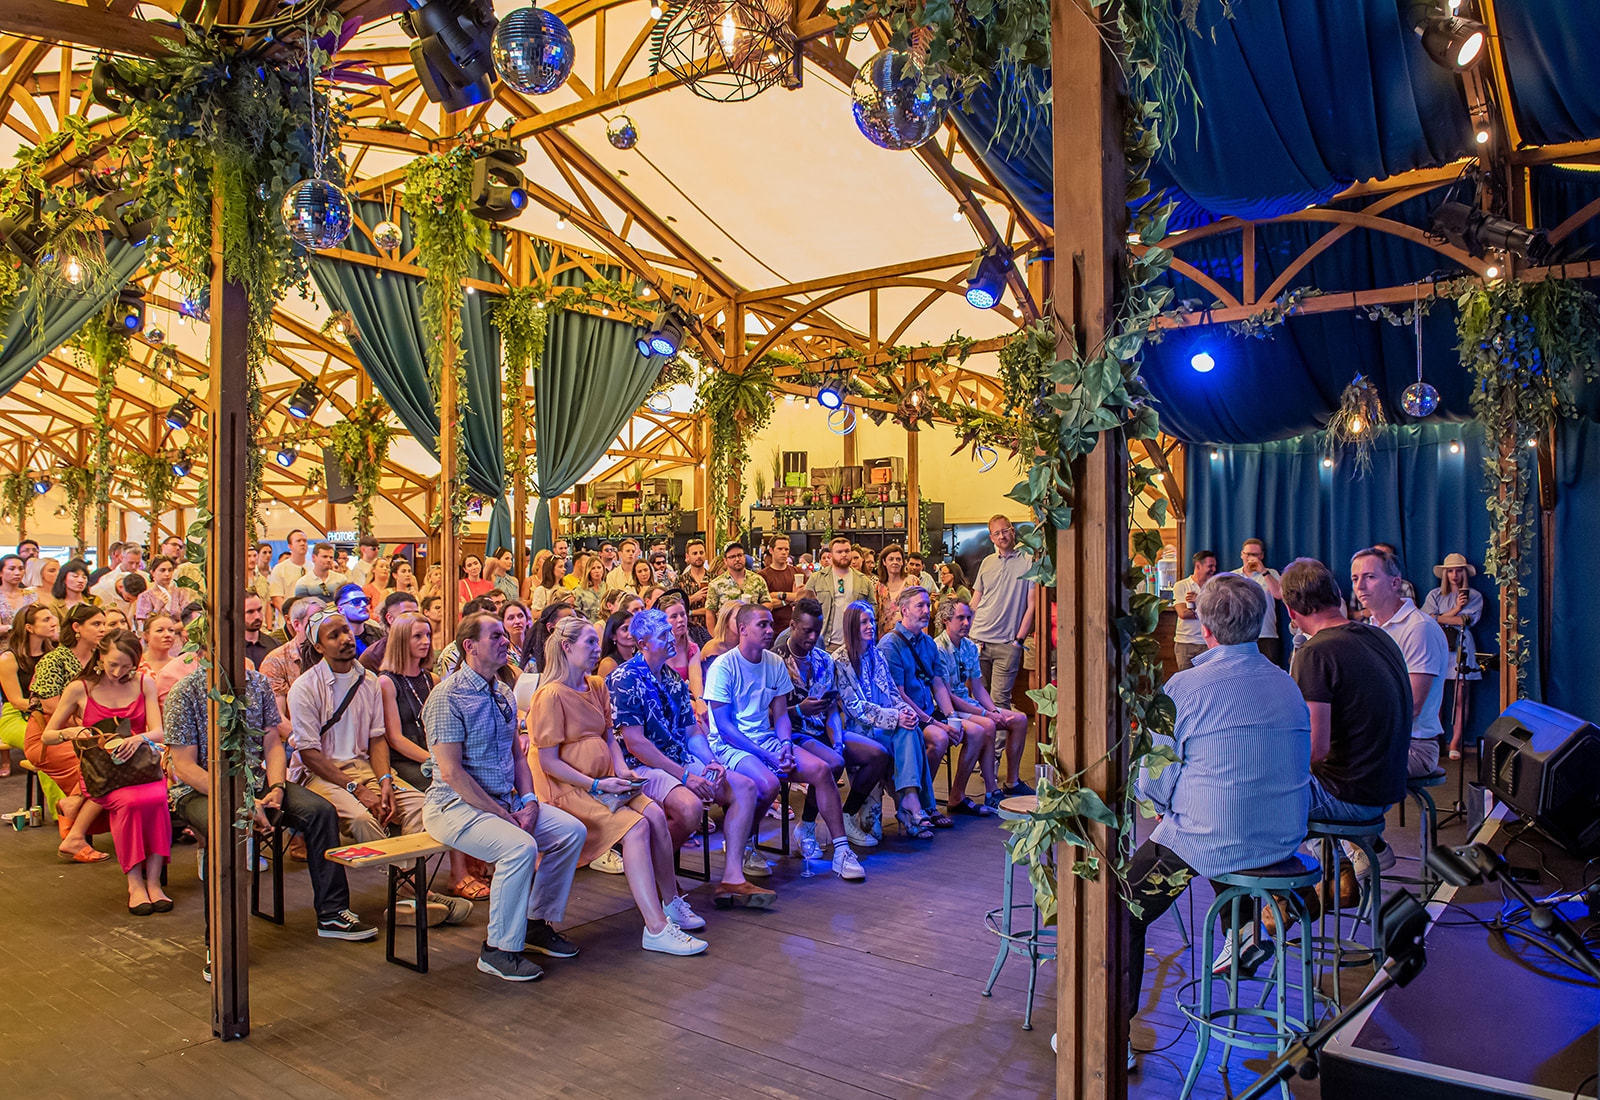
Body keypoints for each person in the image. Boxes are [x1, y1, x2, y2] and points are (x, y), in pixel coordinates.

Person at [1128, 574, 1313, 1002]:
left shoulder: (1183, 688)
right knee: (1220, 811)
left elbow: (1152, 784)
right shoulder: (1287, 683)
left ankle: (1112, 1030)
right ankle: (1244, 927)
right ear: (1260, 621)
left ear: (1205, 626)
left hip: (1214, 841)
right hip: (1282, 839)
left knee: (1120, 910)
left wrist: (1161, 801)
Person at [422, 611, 588, 981]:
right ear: (470, 646)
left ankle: (533, 925)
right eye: (495, 636)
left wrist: (528, 801)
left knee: (570, 832)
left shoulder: (502, 692)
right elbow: (451, 773)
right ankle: (498, 949)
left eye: (503, 635)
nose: (505, 641)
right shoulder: (447, 697)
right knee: (519, 848)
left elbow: (518, 756)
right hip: (453, 805)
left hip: (503, 801)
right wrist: (502, 813)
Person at [530, 616, 709, 954]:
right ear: (566, 647)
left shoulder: (596, 685)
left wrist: (623, 770)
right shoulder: (550, 695)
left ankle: (671, 902)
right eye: (589, 642)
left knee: (655, 814)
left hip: (607, 779)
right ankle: (656, 928)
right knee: (637, 827)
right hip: (571, 788)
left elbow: (609, 737)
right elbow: (549, 762)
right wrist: (596, 783)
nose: (597, 649)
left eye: (596, 642)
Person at [166, 658, 377, 942]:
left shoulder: (257, 683)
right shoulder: (185, 691)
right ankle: (218, 940)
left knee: (320, 811)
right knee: (224, 825)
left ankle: (332, 913)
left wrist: (277, 786)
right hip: (200, 789)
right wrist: (240, 800)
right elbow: (184, 766)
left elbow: (272, 743)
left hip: (254, 779)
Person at [609, 608, 777, 911]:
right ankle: (655, 873)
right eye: (663, 635)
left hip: (677, 758)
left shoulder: (672, 678)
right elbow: (636, 745)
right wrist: (686, 776)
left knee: (744, 788)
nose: (672, 638)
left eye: (670, 632)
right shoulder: (625, 678)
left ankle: (733, 878)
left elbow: (691, 732)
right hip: (640, 767)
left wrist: (712, 762)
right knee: (689, 809)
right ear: (643, 644)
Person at [705, 603, 866, 881]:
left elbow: (781, 716)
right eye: (762, 625)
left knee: (822, 770)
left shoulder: (774, 663)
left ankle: (841, 850)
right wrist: (768, 756)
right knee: (767, 783)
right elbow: (725, 728)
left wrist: (786, 745)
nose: (770, 630)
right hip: (731, 745)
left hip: (766, 739)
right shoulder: (723, 666)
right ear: (743, 629)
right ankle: (743, 843)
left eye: (770, 624)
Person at [1282, 558, 1411, 901]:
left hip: (1351, 797)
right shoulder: (1379, 637)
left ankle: (1282, 901)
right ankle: (1344, 865)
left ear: (1291, 612)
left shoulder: (1315, 652)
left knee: (1254, 793)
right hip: (1388, 786)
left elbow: (1315, 749)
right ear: (1337, 595)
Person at [41, 629, 172, 914]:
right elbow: (47, 736)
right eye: (112, 664)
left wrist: (137, 738)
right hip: (103, 774)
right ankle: (135, 883)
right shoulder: (80, 688)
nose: (117, 672)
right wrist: (70, 732)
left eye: (126, 666)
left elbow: (158, 731)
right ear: (100, 656)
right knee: (131, 803)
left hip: (139, 767)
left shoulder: (143, 683)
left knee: (156, 797)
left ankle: (153, 882)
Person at [288, 609, 428, 845]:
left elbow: (377, 738)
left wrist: (385, 780)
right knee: (362, 819)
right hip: (322, 774)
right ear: (319, 647)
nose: (346, 638)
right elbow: (309, 754)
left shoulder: (369, 680)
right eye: (334, 636)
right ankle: (390, 864)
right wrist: (357, 789)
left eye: (346, 631)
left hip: (366, 768)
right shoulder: (305, 688)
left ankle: (403, 867)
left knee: (422, 807)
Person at [774, 596, 888, 854]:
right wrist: (799, 710)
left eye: (817, 630)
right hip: (792, 734)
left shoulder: (824, 660)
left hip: (821, 730)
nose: (813, 637)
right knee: (834, 763)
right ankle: (807, 826)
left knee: (878, 755)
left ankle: (847, 815)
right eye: (807, 631)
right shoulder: (775, 659)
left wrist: (837, 741)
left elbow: (832, 709)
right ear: (792, 626)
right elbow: (770, 714)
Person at [880, 586, 993, 823]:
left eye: (928, 605)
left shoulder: (928, 643)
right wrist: (935, 722)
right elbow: (898, 695)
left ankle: (957, 796)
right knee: (940, 738)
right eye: (920, 606)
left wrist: (951, 717)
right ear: (904, 610)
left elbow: (938, 684)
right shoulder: (891, 644)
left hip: (929, 712)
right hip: (907, 716)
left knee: (976, 732)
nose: (926, 611)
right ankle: (922, 803)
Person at [831, 599, 938, 838]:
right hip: (859, 732)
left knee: (911, 728)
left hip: (885, 728)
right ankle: (910, 807)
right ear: (851, 625)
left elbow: (891, 693)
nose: (871, 626)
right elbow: (854, 708)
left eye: (872, 621)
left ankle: (910, 803)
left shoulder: (876, 655)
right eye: (864, 622)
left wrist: (905, 711)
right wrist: (895, 717)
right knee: (873, 833)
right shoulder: (839, 660)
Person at [1351, 546, 1449, 777]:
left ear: (1395, 583)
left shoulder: (1418, 628)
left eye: (1370, 577)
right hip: (1381, 740)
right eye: (1355, 579)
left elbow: (1412, 705)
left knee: (1336, 771)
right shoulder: (1372, 627)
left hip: (1413, 746)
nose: (1360, 586)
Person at [26, 603, 109, 860]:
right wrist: (88, 724)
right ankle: (76, 827)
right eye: (96, 624)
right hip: (49, 734)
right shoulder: (54, 659)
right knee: (100, 763)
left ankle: (74, 810)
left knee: (118, 757)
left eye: (104, 624)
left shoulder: (100, 658)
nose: (103, 629)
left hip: (88, 732)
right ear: (76, 627)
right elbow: (52, 706)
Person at [936, 597, 1027, 801]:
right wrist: (986, 714)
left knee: (1019, 720)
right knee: (987, 724)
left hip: (968, 704)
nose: (966, 623)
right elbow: (948, 696)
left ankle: (1012, 782)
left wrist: (993, 710)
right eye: (960, 618)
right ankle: (989, 790)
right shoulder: (938, 648)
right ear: (946, 620)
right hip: (947, 708)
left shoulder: (969, 646)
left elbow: (978, 688)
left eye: (968, 618)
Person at [969, 516, 1037, 710]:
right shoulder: (987, 562)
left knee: (1000, 702)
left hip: (1007, 644)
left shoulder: (1029, 562)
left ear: (1012, 531)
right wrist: (967, 634)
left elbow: (1032, 605)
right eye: (996, 533)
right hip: (978, 639)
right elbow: (976, 601)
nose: (1002, 536)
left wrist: (1018, 641)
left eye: (1005, 531)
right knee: (978, 700)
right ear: (991, 538)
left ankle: (1000, 735)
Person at [1423, 552, 1483, 760]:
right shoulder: (1435, 595)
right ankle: (1435, 740)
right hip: (1438, 646)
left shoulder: (1474, 596)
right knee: (1435, 697)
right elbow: (1426, 619)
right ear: (1445, 574)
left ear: (1465, 573)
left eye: (1458, 571)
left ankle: (1455, 741)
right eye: (1450, 571)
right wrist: (1457, 609)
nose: (1454, 575)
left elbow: (1465, 621)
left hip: (1461, 646)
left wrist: (1440, 617)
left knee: (1460, 696)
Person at [0, 607, 60, 796]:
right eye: (46, 619)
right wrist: (52, 706)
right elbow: (16, 701)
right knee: (47, 750)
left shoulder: (54, 654)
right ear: (29, 627)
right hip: (15, 716)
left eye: (52, 618)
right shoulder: (8, 658)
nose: (53, 623)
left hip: (49, 713)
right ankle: (62, 808)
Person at [804, 535, 876, 650]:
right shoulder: (816, 578)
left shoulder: (863, 580)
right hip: (825, 643)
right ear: (831, 555)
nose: (844, 554)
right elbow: (805, 607)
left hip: (856, 643)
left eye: (847, 551)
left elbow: (873, 607)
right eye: (839, 552)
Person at [1238, 538, 1285, 666]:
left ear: (1262, 556)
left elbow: (1279, 594)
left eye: (1255, 555)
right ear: (1242, 554)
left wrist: (1263, 571)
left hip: (1266, 634)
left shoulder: (1271, 573)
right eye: (1248, 554)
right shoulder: (1232, 576)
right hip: (1240, 636)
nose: (1251, 558)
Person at [139, 613, 199, 708]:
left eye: (171, 630)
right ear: (146, 635)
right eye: (160, 630)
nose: (167, 635)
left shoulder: (181, 665)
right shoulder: (136, 665)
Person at [1172, 548, 1218, 672]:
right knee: (1186, 679)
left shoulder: (1216, 587)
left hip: (1209, 643)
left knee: (1208, 678)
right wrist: (1207, 610)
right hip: (1185, 643)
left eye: (1214, 566)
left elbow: (1218, 614)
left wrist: (1199, 601)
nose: (1214, 569)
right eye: (1210, 566)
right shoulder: (1181, 585)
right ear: (1198, 566)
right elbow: (1183, 614)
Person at [359, 591, 421, 672]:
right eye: (406, 615)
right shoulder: (373, 655)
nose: (414, 619)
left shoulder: (422, 645)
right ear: (390, 618)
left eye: (416, 614)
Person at [706, 542, 769, 619]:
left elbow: (768, 603)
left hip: (752, 624)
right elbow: (710, 612)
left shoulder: (758, 580)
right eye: (732, 557)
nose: (737, 559)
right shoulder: (716, 584)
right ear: (725, 560)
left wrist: (755, 611)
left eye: (740, 555)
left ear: (744, 557)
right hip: (727, 626)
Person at [759, 534, 802, 633]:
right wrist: (792, 597)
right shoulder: (762, 576)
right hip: (772, 628)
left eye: (786, 549)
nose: (784, 552)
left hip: (796, 627)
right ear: (771, 550)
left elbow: (804, 597)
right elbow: (767, 603)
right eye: (780, 549)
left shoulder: (798, 572)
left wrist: (778, 595)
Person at [335, 583, 385, 657]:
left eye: (365, 600)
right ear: (341, 609)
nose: (364, 604)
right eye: (356, 601)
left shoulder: (380, 634)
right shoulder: (334, 640)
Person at [874, 543, 913, 635]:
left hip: (908, 635)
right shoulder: (879, 586)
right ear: (884, 562)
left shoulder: (912, 581)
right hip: (885, 637)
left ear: (903, 562)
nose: (895, 562)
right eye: (891, 559)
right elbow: (876, 614)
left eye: (898, 559)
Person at [268, 529, 309, 614]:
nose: (302, 543)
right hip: (287, 617)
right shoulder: (279, 569)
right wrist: (290, 615)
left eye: (305, 541)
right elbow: (276, 598)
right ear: (290, 546)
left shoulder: (313, 567)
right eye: (298, 541)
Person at [243, 592, 285, 669]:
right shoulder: (230, 649)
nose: (257, 616)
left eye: (259, 610)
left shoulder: (274, 646)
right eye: (250, 612)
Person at [597, 609, 638, 678]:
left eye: (633, 628)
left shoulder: (638, 657)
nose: (631, 633)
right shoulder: (608, 664)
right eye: (625, 629)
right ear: (613, 636)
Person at [0, 553, 37, 626]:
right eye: (11, 569)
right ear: (1, 572)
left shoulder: (31, 595)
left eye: (21, 569)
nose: (17, 573)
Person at [680, 539, 712, 623]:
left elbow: (717, 608)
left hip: (710, 626)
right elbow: (676, 606)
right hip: (688, 627)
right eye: (695, 553)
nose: (699, 556)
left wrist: (691, 612)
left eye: (701, 553)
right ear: (687, 556)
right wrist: (693, 598)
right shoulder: (681, 580)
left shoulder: (714, 579)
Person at [571, 554, 607, 621]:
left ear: (603, 569)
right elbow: (576, 613)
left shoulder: (608, 588)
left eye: (599, 567)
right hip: (586, 624)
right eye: (593, 568)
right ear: (588, 571)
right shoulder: (580, 590)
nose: (597, 571)